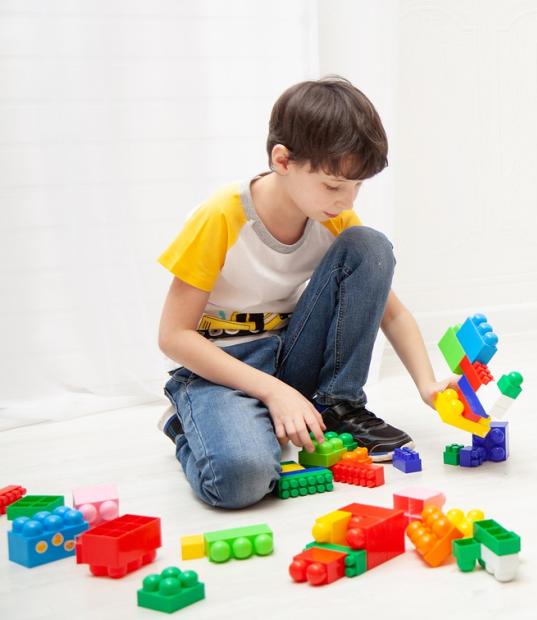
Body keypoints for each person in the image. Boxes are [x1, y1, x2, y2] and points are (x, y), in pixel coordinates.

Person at [156, 76, 455, 508]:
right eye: (334, 186)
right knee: (242, 480)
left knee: (370, 246)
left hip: (291, 351)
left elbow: (393, 313)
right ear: (283, 160)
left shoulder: (332, 217)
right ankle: (188, 424)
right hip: (221, 366)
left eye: (357, 187)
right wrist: (274, 392)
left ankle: (338, 404)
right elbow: (173, 336)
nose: (347, 201)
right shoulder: (221, 216)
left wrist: (428, 386)